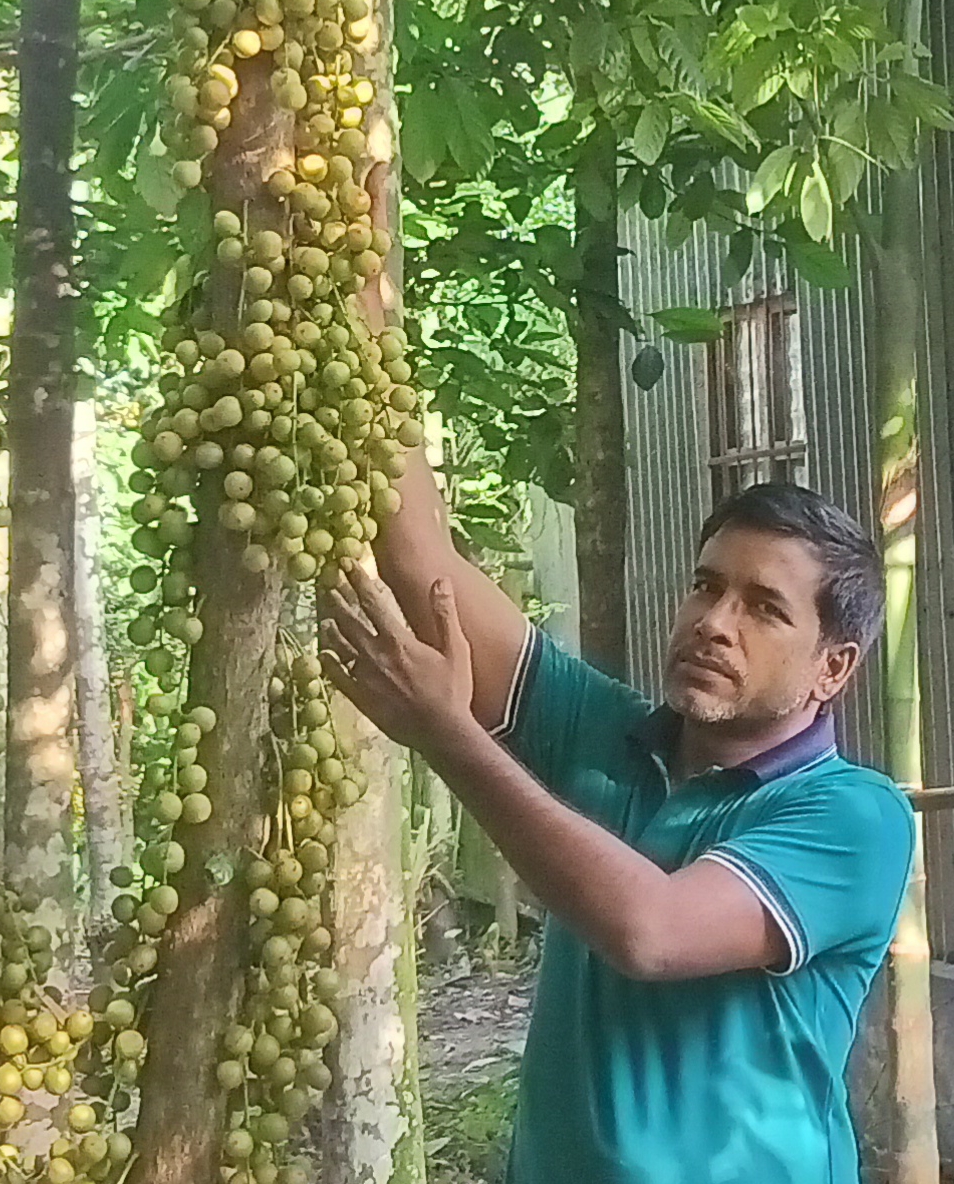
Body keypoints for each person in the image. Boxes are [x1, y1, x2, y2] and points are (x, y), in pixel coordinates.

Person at [321, 453, 915, 1184]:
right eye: (705, 587)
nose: (714, 624)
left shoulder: (853, 815)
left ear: (833, 667)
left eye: (763, 608)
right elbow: (421, 564)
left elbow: (651, 932)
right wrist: (368, 344)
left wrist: (449, 736)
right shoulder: (605, 734)